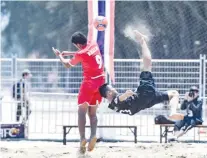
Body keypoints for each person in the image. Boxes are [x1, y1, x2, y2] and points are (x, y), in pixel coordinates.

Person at [99, 30, 180, 119]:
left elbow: (120, 102)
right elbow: (119, 99)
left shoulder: (112, 107)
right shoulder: (115, 101)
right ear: (109, 93)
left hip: (146, 102)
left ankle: (173, 113)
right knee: (147, 66)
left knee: (174, 94)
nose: (114, 88)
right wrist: (126, 95)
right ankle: (142, 40)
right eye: (112, 88)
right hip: (143, 95)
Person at [53, 31, 105, 153]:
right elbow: (84, 53)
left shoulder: (81, 53)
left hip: (89, 84)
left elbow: (67, 65)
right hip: (101, 82)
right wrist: (70, 53)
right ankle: (93, 135)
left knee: (81, 112)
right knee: (93, 113)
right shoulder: (93, 44)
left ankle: (82, 139)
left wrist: (59, 55)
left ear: (77, 44)